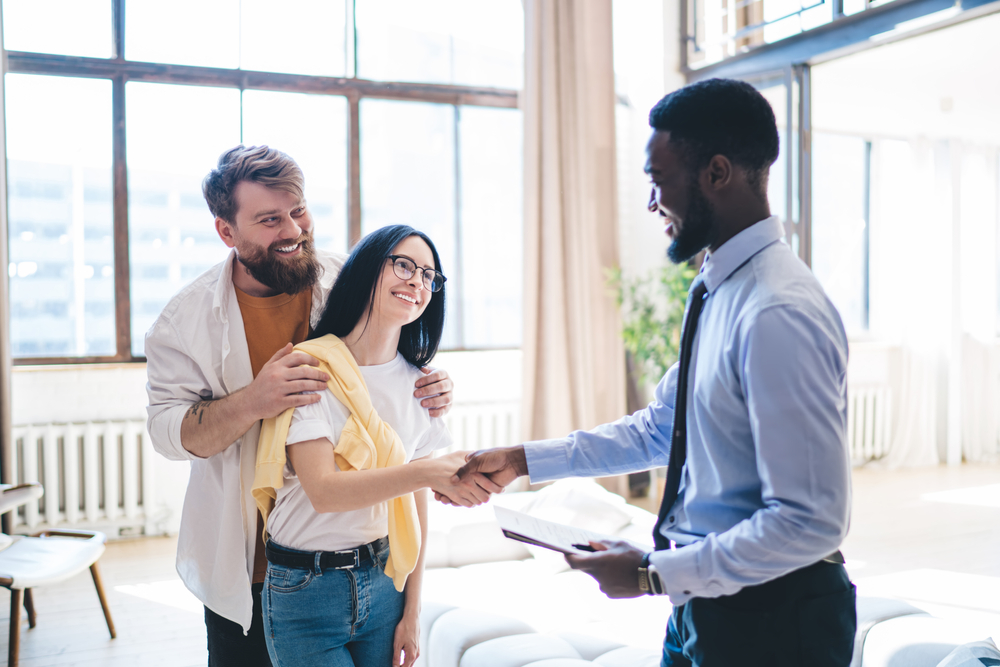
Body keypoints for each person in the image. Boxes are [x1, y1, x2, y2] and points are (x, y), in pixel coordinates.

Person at [453, 78, 856, 666]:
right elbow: (660, 429)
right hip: (704, 604)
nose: (651, 203)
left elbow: (811, 521)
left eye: (657, 180)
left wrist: (650, 574)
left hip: (777, 620)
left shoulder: (778, 311)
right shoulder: (718, 288)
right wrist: (521, 460)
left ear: (717, 173)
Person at [145, 146, 493, 666]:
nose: (293, 230)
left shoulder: (345, 279)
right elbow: (169, 433)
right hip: (255, 560)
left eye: (298, 211)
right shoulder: (184, 322)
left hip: (366, 563)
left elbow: (388, 372)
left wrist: (432, 383)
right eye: (269, 219)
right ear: (227, 232)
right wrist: (254, 400)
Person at [253, 224, 468, 667]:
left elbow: (416, 508)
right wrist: (425, 472)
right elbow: (325, 491)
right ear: (369, 270)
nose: (417, 281)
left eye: (429, 276)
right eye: (404, 265)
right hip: (305, 590)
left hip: (384, 579)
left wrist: (413, 611)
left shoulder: (420, 385)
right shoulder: (312, 367)